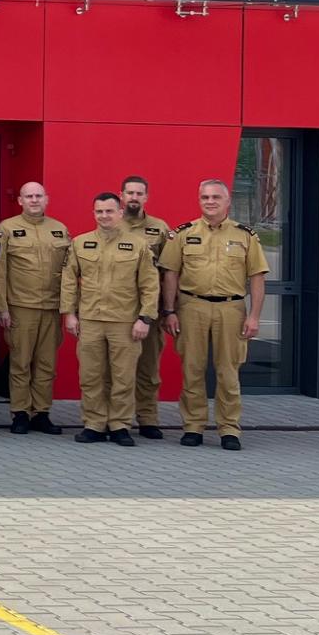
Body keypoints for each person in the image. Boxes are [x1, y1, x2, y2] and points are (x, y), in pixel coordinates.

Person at [162, 179, 269, 451]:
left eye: (215, 197)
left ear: (227, 201)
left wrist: (254, 316)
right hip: (192, 307)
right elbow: (170, 274)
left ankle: (229, 429)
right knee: (192, 370)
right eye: (205, 197)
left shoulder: (245, 235)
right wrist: (169, 311)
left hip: (231, 309)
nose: (210, 202)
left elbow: (257, 277)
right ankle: (193, 427)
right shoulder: (183, 234)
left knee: (228, 372)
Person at [61, 193, 159, 447]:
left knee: (123, 377)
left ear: (120, 212)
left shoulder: (138, 245)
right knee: (90, 376)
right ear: (93, 213)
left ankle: (120, 425)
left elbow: (150, 284)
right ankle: (94, 424)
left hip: (124, 322)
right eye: (99, 211)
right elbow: (69, 281)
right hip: (90, 321)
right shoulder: (80, 243)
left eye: (109, 211)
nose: (104, 216)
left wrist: (145, 318)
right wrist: (69, 314)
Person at [0, 182, 69, 434]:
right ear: (20, 200)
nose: (34, 200)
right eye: (29, 196)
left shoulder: (59, 229)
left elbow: (69, 271)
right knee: (21, 363)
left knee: (46, 364)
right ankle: (20, 413)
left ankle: (41, 413)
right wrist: (2, 307)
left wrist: (68, 307)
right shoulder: (7, 228)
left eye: (38, 196)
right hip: (20, 307)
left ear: (46, 199)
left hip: (51, 308)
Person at [121, 175, 174, 439]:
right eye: (129, 193)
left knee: (148, 368)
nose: (134, 197)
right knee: (117, 369)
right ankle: (117, 419)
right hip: (118, 309)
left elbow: (169, 271)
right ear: (122, 196)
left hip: (150, 310)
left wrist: (168, 310)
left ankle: (148, 418)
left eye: (139, 193)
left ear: (146, 197)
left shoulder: (159, 228)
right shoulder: (111, 224)